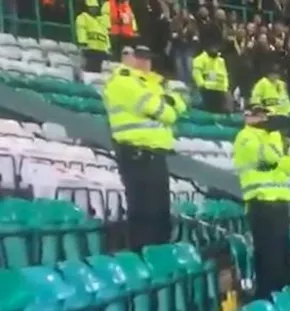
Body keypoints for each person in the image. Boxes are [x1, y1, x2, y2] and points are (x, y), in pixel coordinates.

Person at [102, 46, 184, 249]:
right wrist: (165, 104)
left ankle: (158, 256)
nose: (145, 62)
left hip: (156, 154)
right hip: (136, 154)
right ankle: (143, 257)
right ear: (126, 57)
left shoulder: (153, 82)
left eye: (148, 58)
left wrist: (166, 103)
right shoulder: (122, 81)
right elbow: (162, 111)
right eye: (139, 57)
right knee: (144, 213)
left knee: (160, 213)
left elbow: (181, 105)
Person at [233, 104, 290, 299]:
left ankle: (282, 297)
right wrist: (276, 138)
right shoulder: (245, 137)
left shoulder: (270, 139)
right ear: (248, 117)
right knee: (269, 257)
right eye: (258, 114)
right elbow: (269, 157)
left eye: (265, 114)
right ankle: (267, 298)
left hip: (279, 203)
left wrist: (279, 149)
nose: (263, 118)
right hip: (261, 203)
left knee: (282, 255)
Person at [249, 63, 290, 135]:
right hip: (268, 115)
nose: (275, 76)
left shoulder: (281, 84)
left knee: (288, 122)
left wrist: (289, 111)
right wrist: (259, 111)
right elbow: (255, 99)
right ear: (269, 74)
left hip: (281, 114)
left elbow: (285, 100)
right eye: (273, 74)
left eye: (277, 74)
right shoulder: (262, 83)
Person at [190, 45, 230, 112]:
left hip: (220, 90)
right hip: (207, 90)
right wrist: (201, 85)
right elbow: (196, 73)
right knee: (208, 110)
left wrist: (226, 87)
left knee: (220, 110)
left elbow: (224, 75)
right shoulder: (200, 59)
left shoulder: (221, 60)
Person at [75, 4, 110, 74]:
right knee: (89, 70)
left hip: (101, 50)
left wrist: (108, 47)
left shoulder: (100, 20)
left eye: (96, 8)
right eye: (92, 8)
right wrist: (83, 41)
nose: (95, 10)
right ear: (88, 8)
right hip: (90, 49)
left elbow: (105, 34)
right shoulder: (83, 17)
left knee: (99, 72)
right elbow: (81, 29)